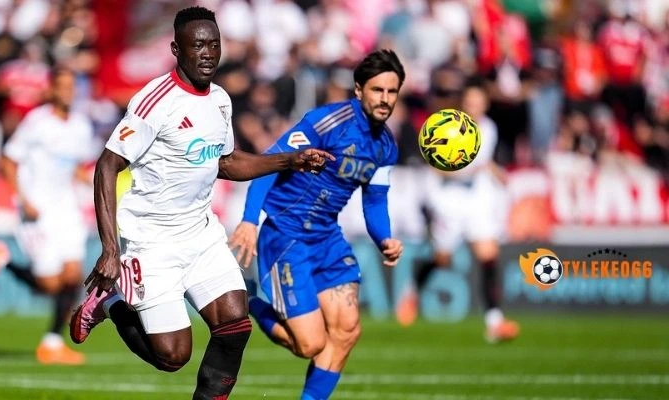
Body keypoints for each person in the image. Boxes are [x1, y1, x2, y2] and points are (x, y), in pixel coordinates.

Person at [69, 6, 333, 399]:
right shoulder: (154, 101)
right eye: (198, 46)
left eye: (214, 44)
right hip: (152, 242)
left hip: (201, 235)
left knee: (234, 325)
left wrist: (290, 160)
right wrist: (110, 249)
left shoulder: (221, 100)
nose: (208, 53)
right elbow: (107, 166)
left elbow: (226, 162)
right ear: (177, 49)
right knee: (173, 357)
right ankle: (112, 302)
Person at [227, 50, 405, 400]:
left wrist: (385, 238)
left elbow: (374, 200)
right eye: (377, 90)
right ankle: (246, 300)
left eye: (392, 91)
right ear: (359, 90)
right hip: (285, 237)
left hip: (327, 239)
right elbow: (269, 164)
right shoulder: (326, 123)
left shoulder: (386, 147)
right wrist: (251, 220)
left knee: (347, 330)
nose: (385, 99)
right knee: (309, 344)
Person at [0, 68, 94, 365]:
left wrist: (90, 180)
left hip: (66, 209)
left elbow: (72, 165)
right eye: (60, 86)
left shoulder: (81, 126)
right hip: (36, 210)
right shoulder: (37, 122)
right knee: (50, 285)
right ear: (51, 90)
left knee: (74, 276)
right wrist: (24, 199)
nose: (66, 91)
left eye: (70, 86)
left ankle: (51, 343)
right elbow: (8, 161)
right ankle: (3, 261)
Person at [397, 84, 519, 343]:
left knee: (488, 257)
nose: (474, 107)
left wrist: (495, 173)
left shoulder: (488, 128)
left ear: (485, 104)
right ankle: (412, 293)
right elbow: (436, 165)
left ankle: (494, 322)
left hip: (476, 199)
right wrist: (462, 169)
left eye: (479, 102)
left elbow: (483, 162)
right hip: (449, 200)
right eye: (470, 102)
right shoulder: (447, 125)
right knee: (443, 259)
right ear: (463, 103)